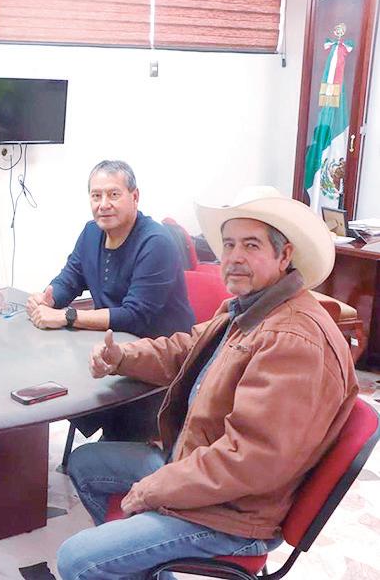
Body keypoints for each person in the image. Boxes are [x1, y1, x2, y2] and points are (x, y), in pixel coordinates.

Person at [57, 185, 358, 579]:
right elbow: (185, 349)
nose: (234, 257)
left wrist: (157, 487)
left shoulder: (292, 341)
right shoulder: (248, 307)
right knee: (85, 463)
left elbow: (250, 460)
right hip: (200, 471)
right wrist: (122, 358)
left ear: (284, 255)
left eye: (251, 245)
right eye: (229, 245)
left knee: (77, 559)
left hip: (234, 515)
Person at [26, 160, 195, 441]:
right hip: (111, 352)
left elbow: (134, 315)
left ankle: (118, 450)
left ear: (134, 197)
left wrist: (68, 316)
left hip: (157, 367)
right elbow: (70, 278)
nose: (103, 204)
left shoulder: (156, 242)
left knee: (76, 386)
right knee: (53, 379)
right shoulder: (91, 232)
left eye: (113, 194)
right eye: (96, 196)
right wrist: (47, 299)